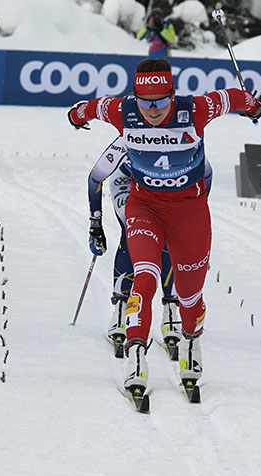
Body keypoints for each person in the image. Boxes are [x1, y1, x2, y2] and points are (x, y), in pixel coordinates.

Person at [68, 58, 261, 398]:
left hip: (189, 213)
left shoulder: (197, 109)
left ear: (173, 95)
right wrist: (76, 116)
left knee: (190, 299)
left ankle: (191, 342)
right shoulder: (122, 111)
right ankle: (135, 355)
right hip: (143, 206)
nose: (153, 110)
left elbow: (235, 97)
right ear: (135, 98)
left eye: (161, 101)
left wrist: (255, 107)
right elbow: (90, 108)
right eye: (145, 102)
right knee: (145, 276)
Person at [87, 136, 213, 359]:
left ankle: (171, 305)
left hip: (168, 192)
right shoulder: (129, 138)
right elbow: (95, 176)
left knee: (171, 239)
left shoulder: (181, 137)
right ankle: (122, 303)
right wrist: (95, 224)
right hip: (127, 184)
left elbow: (206, 174)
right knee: (134, 232)